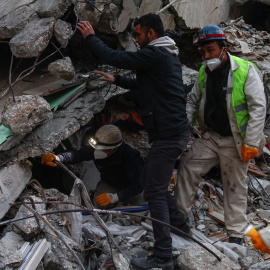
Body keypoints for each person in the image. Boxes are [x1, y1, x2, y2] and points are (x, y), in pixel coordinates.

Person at [77, 13, 191, 270]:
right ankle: (182, 229)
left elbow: (116, 58)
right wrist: (116, 80)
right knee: (151, 183)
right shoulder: (165, 56)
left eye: (138, 35)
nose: (137, 40)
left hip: (170, 135)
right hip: (170, 134)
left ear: (151, 34)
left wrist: (91, 38)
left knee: (154, 192)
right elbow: (143, 86)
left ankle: (162, 257)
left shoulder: (156, 53)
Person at [175, 25, 266, 245]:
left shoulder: (245, 70)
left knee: (235, 185)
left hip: (236, 141)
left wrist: (252, 142)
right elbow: (192, 100)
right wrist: (183, 129)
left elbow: (258, 107)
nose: (206, 56)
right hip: (210, 136)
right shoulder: (205, 72)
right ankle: (178, 219)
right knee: (187, 168)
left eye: (211, 50)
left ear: (224, 49)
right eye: (203, 52)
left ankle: (235, 233)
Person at [42, 125, 144, 208]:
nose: (97, 151)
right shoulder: (97, 147)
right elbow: (78, 155)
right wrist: (59, 158)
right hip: (110, 183)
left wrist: (116, 197)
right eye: (96, 148)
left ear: (113, 150)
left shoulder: (131, 159)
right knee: (99, 204)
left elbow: (139, 185)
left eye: (101, 149)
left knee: (137, 207)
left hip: (131, 187)